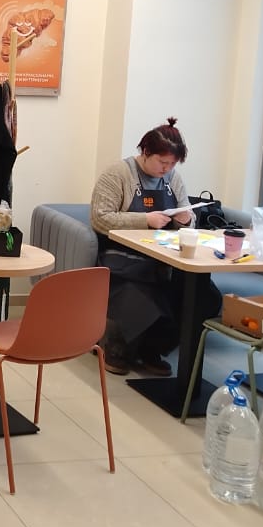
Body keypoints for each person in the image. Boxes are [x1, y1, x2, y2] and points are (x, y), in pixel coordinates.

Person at [90, 118, 202, 376]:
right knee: (139, 294)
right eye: (162, 162)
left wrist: (185, 220)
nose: (167, 169)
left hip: (163, 257)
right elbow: (100, 218)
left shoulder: (173, 179)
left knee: (198, 295)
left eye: (172, 164)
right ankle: (117, 348)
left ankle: (153, 349)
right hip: (123, 258)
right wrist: (145, 220)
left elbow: (188, 219)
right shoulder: (118, 174)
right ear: (146, 152)